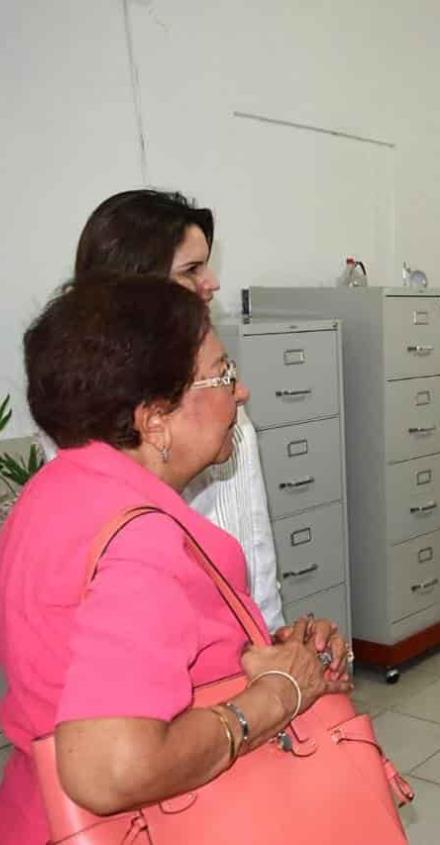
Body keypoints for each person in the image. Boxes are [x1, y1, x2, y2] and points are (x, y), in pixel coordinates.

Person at [0, 278, 352, 843]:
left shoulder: (54, 492)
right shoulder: (139, 540)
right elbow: (111, 769)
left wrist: (256, 654)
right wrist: (274, 696)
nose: (242, 393)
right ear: (154, 418)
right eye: (223, 374)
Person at [72, 189, 284, 629]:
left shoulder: (218, 388)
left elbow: (254, 537)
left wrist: (271, 637)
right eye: (191, 269)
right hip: (172, 659)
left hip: (246, 645)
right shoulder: (88, 420)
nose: (212, 282)